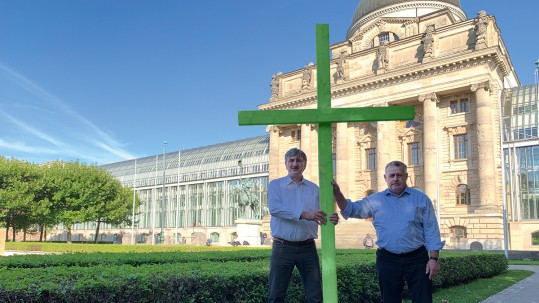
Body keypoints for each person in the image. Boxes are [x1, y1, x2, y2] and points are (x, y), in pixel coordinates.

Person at [330, 160, 444, 303]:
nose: (395, 179)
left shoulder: (421, 199)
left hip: (416, 258)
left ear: (406, 176)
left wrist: (433, 259)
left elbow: (431, 229)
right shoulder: (375, 200)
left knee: (423, 299)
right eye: (391, 176)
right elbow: (351, 209)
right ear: (385, 178)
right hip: (388, 258)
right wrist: (337, 192)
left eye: (399, 175)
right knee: (390, 300)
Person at [268, 148, 335, 303]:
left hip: (307, 248)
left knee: (316, 295)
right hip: (282, 248)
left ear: (304, 164)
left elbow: (324, 212)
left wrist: (332, 216)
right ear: (285, 164)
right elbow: (275, 209)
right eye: (291, 160)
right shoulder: (275, 185)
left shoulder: (314, 189)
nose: (295, 164)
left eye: (299, 160)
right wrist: (305, 214)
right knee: (275, 295)